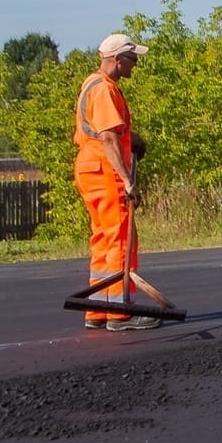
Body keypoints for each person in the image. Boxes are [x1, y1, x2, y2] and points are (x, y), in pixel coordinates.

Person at [74, 33, 156, 330]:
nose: (135, 65)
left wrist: (132, 139)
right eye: (133, 59)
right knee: (121, 238)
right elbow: (108, 138)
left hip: (90, 169)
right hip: (105, 172)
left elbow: (105, 132)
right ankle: (120, 312)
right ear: (117, 59)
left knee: (103, 239)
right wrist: (128, 181)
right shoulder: (105, 90)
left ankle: (97, 309)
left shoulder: (91, 84)